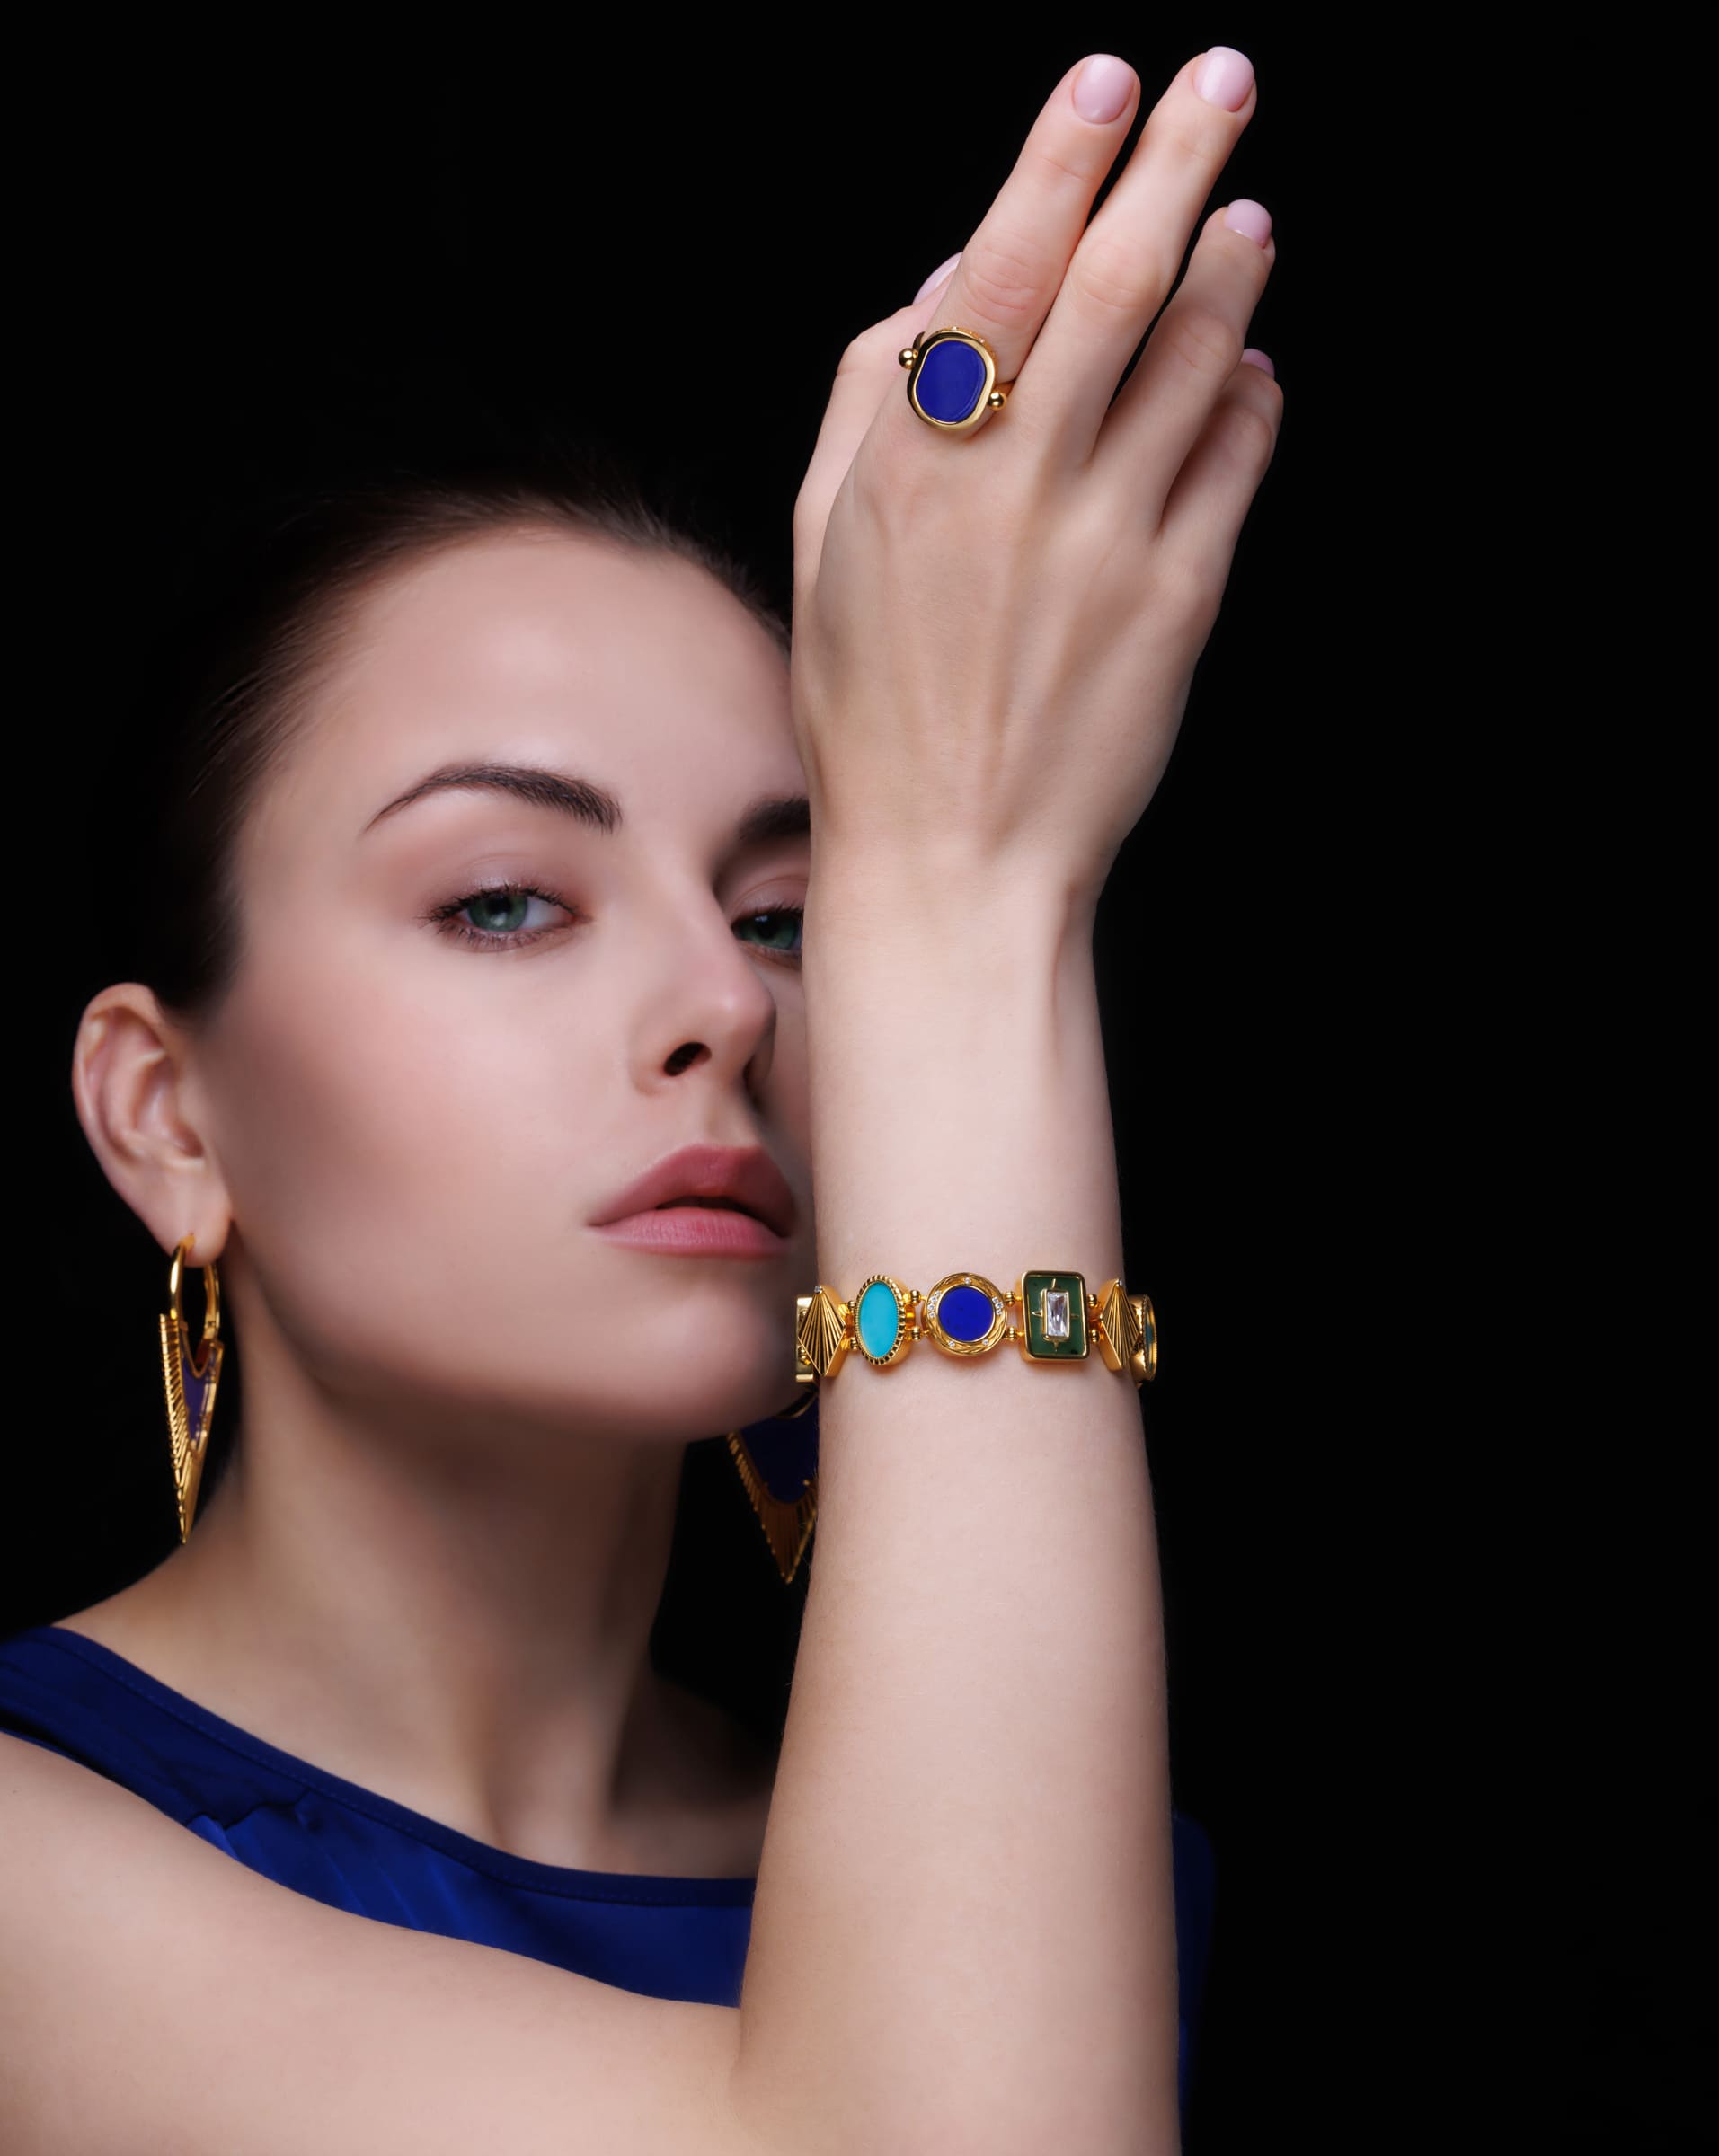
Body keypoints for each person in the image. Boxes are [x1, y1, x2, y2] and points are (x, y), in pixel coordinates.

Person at [0, 44, 1279, 2154]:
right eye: (505, 901)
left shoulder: (1079, 1894)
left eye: (789, 914)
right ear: (167, 1115)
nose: (722, 1005)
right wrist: (963, 888)